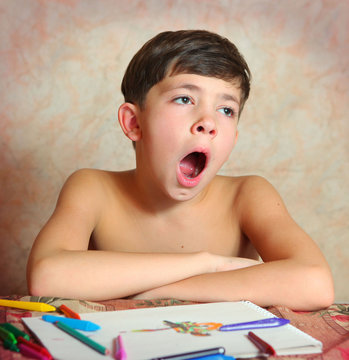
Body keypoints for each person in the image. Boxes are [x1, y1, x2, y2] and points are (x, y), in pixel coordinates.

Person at [27, 30, 334, 310]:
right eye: (185, 98)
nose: (208, 122)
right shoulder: (93, 187)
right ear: (134, 123)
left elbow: (314, 282)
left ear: (234, 137)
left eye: (226, 110)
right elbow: (47, 275)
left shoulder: (247, 194)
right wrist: (210, 264)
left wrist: (162, 289)